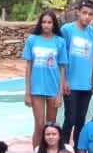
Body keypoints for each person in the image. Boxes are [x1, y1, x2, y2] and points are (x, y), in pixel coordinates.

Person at [60, 0, 93, 145]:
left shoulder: (92, 32)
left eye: (90, 14)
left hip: (86, 84)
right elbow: (61, 56)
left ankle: (78, 149)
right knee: (70, 118)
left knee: (80, 119)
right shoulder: (67, 30)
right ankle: (64, 147)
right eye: (84, 13)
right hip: (71, 83)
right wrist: (64, 80)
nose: (87, 17)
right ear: (78, 12)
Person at [23, 10, 68, 142]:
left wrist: (60, 94)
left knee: (51, 127)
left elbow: (62, 68)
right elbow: (28, 67)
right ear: (40, 24)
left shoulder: (60, 41)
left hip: (53, 88)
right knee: (39, 126)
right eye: (44, 22)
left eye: (49, 22)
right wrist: (27, 92)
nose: (46, 25)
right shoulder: (32, 40)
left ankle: (49, 152)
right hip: (36, 89)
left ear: (54, 24)